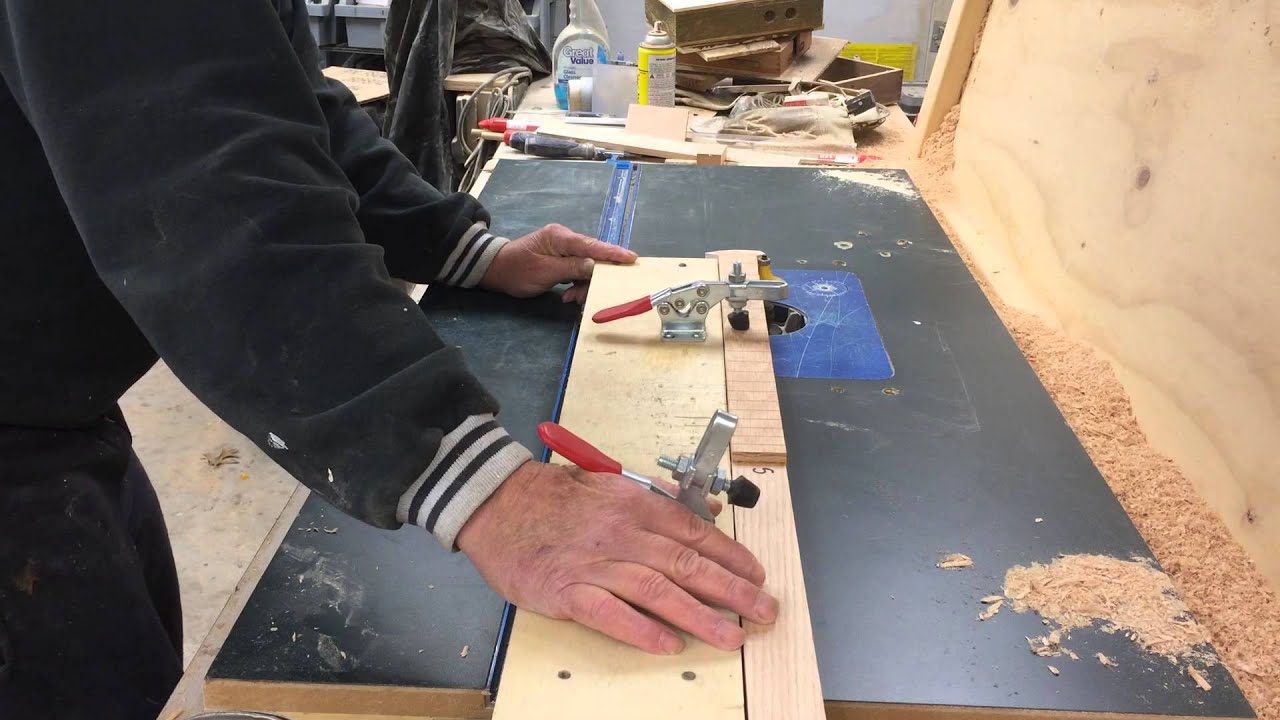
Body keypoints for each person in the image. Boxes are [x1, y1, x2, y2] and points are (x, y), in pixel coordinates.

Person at [0, 1, 779, 719]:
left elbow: (286, 112)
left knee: (136, 668)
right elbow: (205, 197)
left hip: (55, 412)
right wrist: (489, 492)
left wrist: (466, 249)